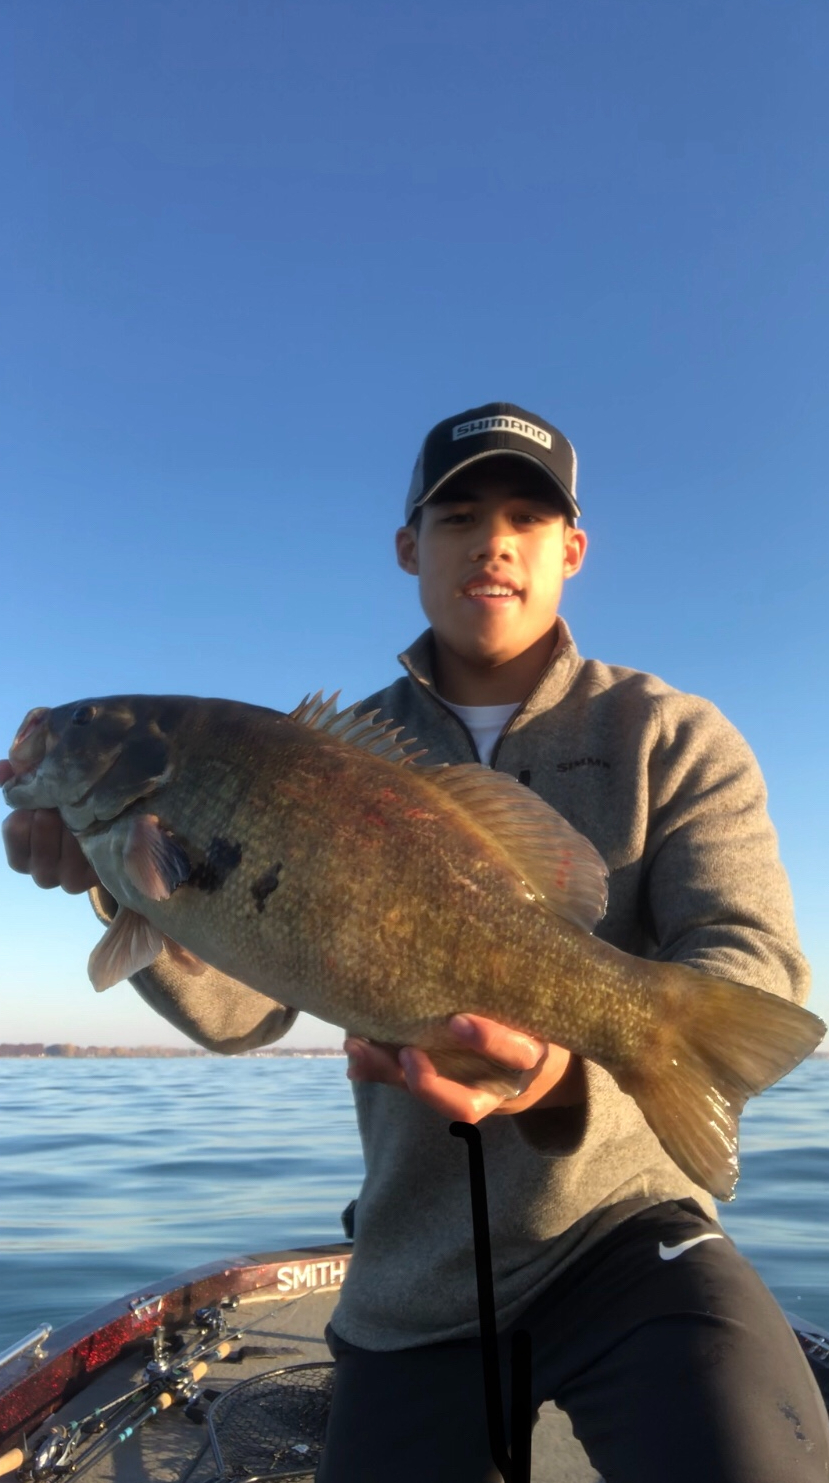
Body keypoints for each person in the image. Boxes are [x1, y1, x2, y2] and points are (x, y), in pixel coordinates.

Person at [3, 401, 828, 1482]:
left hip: (629, 1234)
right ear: (409, 546)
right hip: (412, 1273)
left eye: (528, 517)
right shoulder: (320, 744)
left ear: (570, 549)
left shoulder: (672, 737)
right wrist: (131, 893)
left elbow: (754, 974)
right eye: (459, 513)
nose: (494, 540)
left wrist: (562, 1071)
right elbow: (248, 1013)